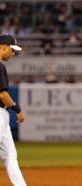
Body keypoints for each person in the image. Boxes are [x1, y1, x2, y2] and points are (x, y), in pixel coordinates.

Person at [0, 35, 26, 185]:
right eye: (12, 49)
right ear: (3, 46)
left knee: (10, 155)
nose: (13, 53)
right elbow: (2, 94)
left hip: (2, 115)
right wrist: (17, 109)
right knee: (10, 155)